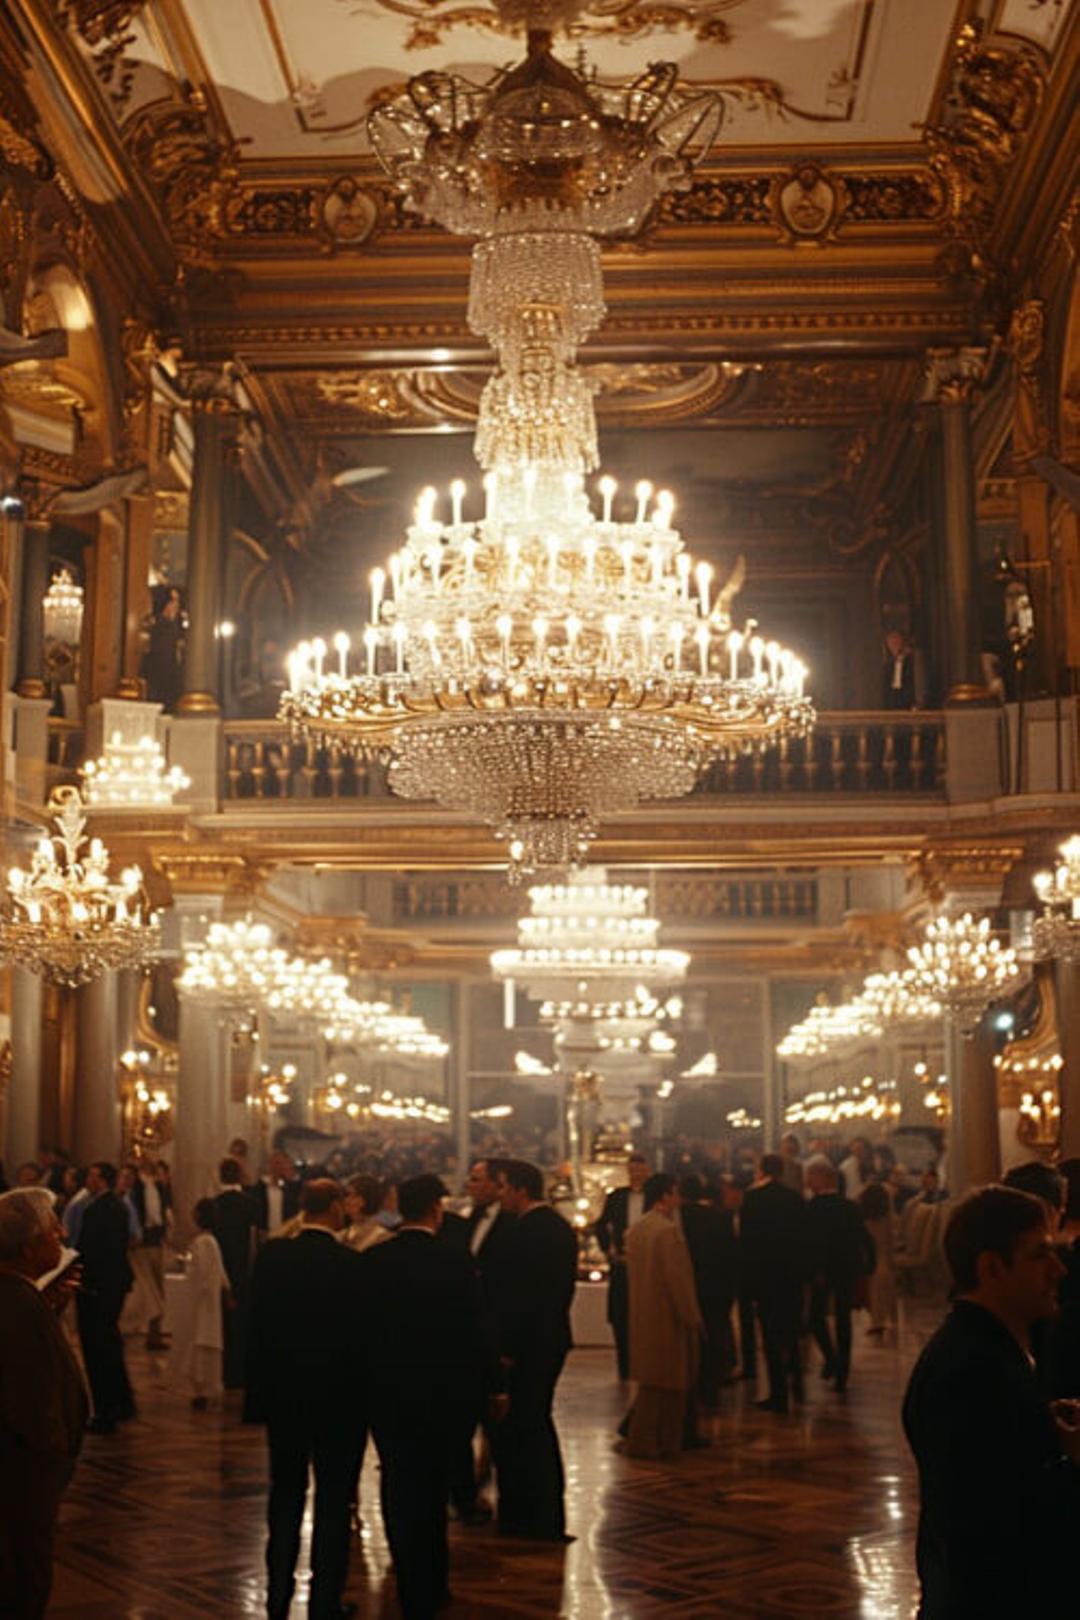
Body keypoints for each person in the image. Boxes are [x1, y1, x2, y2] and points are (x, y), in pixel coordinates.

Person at [903, 1185, 1080, 1615]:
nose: (1058, 1269)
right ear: (992, 1268)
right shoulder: (970, 1369)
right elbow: (988, 1523)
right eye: (1039, 1255)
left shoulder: (990, 1349)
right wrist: (1071, 1461)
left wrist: (1044, 1428)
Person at [365, 1173, 496, 1619]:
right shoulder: (454, 1261)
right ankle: (433, 1583)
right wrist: (491, 1387)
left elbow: (360, 1332)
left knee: (398, 1483)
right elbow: (475, 1329)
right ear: (437, 1210)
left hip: (389, 1394)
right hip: (444, 1395)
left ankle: (406, 1575)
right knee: (434, 1489)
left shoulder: (375, 1260)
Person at [245, 1179, 367, 1620]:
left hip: (285, 1396)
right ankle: (325, 1599)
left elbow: (254, 1327)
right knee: (334, 1501)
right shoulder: (352, 1264)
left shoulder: (273, 1258)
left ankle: (277, 1594)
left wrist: (256, 1394)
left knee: (285, 1494)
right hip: (340, 1400)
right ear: (336, 1207)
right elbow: (363, 1340)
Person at [0, 1188, 88, 1619]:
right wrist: (54, 1461)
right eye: (54, 1230)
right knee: (23, 1584)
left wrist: (48, 1307)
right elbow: (32, 1403)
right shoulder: (17, 1304)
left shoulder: (22, 1296)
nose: (62, 1234)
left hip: (24, 1478)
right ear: (30, 1245)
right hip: (22, 1482)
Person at [491, 1158, 578, 1541]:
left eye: (504, 1187)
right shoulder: (558, 1227)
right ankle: (543, 1514)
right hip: (549, 1339)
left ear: (521, 1190)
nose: (500, 1194)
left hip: (526, 1345)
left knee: (524, 1427)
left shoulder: (524, 1231)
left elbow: (517, 1297)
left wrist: (507, 1347)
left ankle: (530, 1514)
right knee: (535, 1423)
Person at [625, 1173, 703, 1459]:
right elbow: (678, 1281)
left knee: (652, 1384)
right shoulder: (667, 1232)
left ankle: (646, 1441)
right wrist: (692, 1317)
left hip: (643, 1313)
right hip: (668, 1318)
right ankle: (662, 1443)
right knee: (672, 1387)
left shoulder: (637, 1229)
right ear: (666, 1196)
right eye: (675, 1193)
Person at [740, 1152, 807, 1413]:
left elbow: (748, 1243)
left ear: (761, 1169)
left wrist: (748, 1283)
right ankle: (798, 1384)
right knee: (791, 1334)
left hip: (764, 1278)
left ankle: (778, 1394)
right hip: (790, 1278)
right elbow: (803, 1240)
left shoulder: (754, 1199)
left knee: (770, 1337)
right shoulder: (795, 1199)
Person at [804, 1157, 875, 1391]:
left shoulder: (812, 1208)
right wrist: (868, 1266)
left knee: (815, 1317)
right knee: (844, 1321)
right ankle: (842, 1371)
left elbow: (811, 1243)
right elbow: (865, 1238)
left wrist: (812, 1270)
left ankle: (831, 1359)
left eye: (811, 1176)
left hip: (822, 1272)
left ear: (822, 1178)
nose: (807, 1181)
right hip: (847, 1268)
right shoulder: (850, 1207)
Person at [76, 1160, 135, 1433]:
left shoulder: (97, 1209)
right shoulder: (118, 1207)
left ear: (101, 1180)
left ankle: (105, 1411)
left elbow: (89, 1250)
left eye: (91, 1175)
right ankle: (123, 1402)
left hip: (97, 1286)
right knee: (110, 1342)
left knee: (97, 1347)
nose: (88, 1178)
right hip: (114, 1284)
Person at [679, 1173, 738, 1404]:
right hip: (717, 1288)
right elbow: (732, 1255)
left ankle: (689, 1386)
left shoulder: (677, 1220)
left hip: (690, 1286)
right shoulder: (720, 1218)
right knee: (713, 1338)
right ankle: (710, 1388)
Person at [595, 1152, 649, 1379]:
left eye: (639, 1169)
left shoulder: (653, 1198)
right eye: (632, 1169)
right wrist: (608, 1249)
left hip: (647, 1264)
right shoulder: (617, 1196)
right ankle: (625, 1367)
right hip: (622, 1264)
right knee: (620, 1315)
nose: (635, 1173)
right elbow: (600, 1224)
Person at [212, 1155, 257, 1389]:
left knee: (222, 1323)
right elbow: (253, 1240)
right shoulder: (248, 1203)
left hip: (220, 1268)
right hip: (242, 1269)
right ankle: (239, 1372)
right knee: (241, 1322)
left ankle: (224, 1372)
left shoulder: (215, 1203)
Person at [184, 1198, 231, 1410]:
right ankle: (207, 1386)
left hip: (202, 1301)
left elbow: (203, 1273)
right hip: (208, 1300)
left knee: (202, 1341)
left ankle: (203, 1388)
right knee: (208, 1340)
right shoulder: (210, 1240)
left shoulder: (202, 1242)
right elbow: (220, 1272)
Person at [128, 1158, 171, 1350]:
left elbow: (161, 1212)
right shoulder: (136, 1189)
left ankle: (155, 1333)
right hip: (142, 1243)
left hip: (156, 1240)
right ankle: (139, 1328)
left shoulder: (160, 1188)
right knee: (148, 1290)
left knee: (159, 1288)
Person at [859, 1180, 897, 1338]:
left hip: (870, 1257)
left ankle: (877, 1320)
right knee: (886, 1285)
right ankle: (890, 1317)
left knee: (874, 1288)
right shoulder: (887, 1217)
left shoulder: (864, 1220)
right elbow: (891, 1240)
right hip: (885, 1256)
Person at [252, 1149, 303, 1240]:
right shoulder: (261, 1189)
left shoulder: (290, 1189)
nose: (279, 1167)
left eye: (281, 1164)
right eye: (276, 1163)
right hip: (265, 1233)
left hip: (285, 1233)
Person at [340, 1173, 392, 1253]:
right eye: (347, 1195)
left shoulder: (382, 1238)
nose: (347, 1201)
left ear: (367, 1199)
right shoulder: (341, 1235)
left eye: (354, 1196)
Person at [838, 1137, 873, 1202]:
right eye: (858, 1149)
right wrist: (866, 1186)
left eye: (863, 1148)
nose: (862, 1152)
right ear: (852, 1150)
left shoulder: (865, 1165)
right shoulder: (847, 1166)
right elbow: (850, 1193)